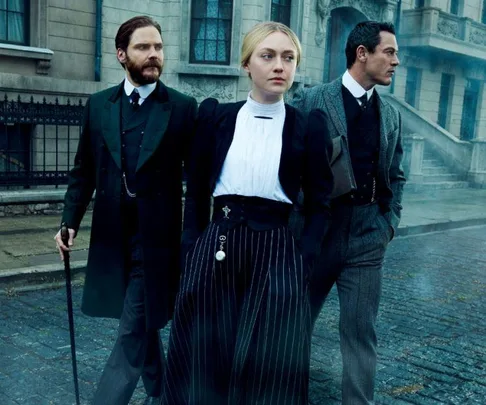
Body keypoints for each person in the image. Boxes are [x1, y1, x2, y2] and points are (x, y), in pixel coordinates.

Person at [162, 21, 333, 405]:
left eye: (288, 58)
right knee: (206, 349)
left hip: (276, 250)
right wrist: (191, 248)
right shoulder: (217, 117)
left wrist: (303, 259)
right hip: (218, 244)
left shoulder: (307, 126)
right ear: (246, 65)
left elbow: (322, 203)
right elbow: (198, 192)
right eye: (267, 56)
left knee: (269, 355)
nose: (279, 67)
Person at [53, 15, 197, 405]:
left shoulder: (183, 109)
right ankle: (167, 394)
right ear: (121, 55)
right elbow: (84, 170)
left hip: (157, 245)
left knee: (132, 331)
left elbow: (199, 185)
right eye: (143, 48)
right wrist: (70, 221)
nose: (154, 56)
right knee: (139, 325)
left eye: (158, 48)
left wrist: (193, 241)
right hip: (112, 239)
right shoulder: (100, 105)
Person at [291, 20, 406, 404]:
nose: (396, 61)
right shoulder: (311, 102)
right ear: (362, 54)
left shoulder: (390, 115)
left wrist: (388, 224)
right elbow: (288, 168)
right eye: (389, 52)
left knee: (360, 335)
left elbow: (396, 173)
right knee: (294, 327)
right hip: (317, 234)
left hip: (367, 237)